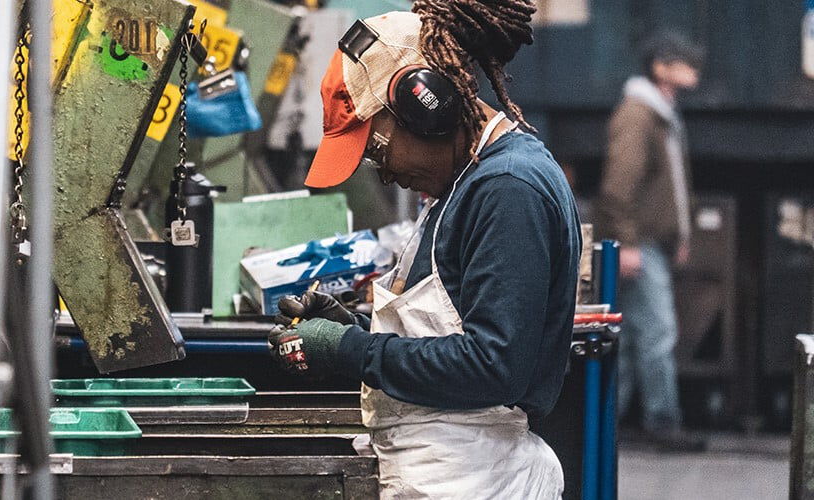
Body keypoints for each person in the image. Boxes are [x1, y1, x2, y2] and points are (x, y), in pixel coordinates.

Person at [265, 3, 580, 498]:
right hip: (450, 469)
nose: (384, 173)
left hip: (475, 478)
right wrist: (355, 328)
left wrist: (351, 351)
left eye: (377, 150)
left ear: (427, 104)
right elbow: (452, 331)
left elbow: (493, 366)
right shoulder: (467, 183)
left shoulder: (507, 188)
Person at [595, 33, 706, 451]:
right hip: (637, 242)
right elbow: (618, 186)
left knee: (626, 336)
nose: (693, 68)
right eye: (683, 61)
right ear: (660, 67)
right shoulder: (639, 115)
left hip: (650, 241)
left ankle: (609, 423)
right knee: (658, 332)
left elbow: (671, 186)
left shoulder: (660, 115)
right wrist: (627, 244)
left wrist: (679, 235)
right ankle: (663, 424)